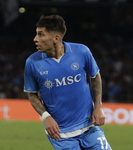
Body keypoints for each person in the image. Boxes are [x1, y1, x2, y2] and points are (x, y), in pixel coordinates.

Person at [23, 15, 112, 150]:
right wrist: (46, 116)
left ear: (56, 38)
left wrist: (98, 105)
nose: (35, 39)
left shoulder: (81, 51)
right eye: (36, 34)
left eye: (41, 35)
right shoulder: (32, 63)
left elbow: (95, 76)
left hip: (89, 126)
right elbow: (31, 93)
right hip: (60, 133)